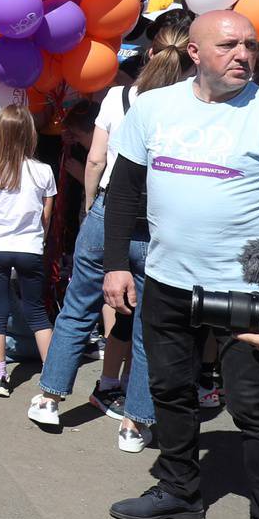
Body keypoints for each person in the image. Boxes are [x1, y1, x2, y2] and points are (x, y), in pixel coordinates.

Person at [103, 11, 259, 519]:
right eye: (229, 45)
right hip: (168, 280)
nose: (243, 54)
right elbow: (124, 189)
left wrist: (257, 280)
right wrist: (117, 264)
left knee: (253, 408)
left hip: (245, 289)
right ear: (194, 52)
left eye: (249, 45)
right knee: (170, 388)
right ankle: (178, 488)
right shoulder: (153, 107)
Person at [30, 32, 186, 446]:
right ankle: (134, 423)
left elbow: (96, 158)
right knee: (151, 325)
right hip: (161, 219)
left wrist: (89, 206)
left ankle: (48, 398)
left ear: (148, 53)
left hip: (108, 210)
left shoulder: (118, 97)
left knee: (79, 306)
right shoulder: (189, 108)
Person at [0, 104, 57, 394]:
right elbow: (46, 216)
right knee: (36, 311)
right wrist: (38, 239)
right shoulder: (44, 171)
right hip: (30, 248)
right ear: (30, 134)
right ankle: (51, 376)